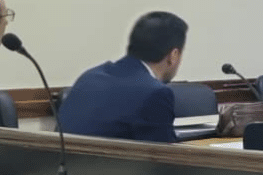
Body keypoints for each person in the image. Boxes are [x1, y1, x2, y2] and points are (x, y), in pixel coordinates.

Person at [59, 12, 188, 142]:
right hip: (110, 156)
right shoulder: (156, 93)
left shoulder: (89, 77)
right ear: (173, 55)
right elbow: (164, 152)